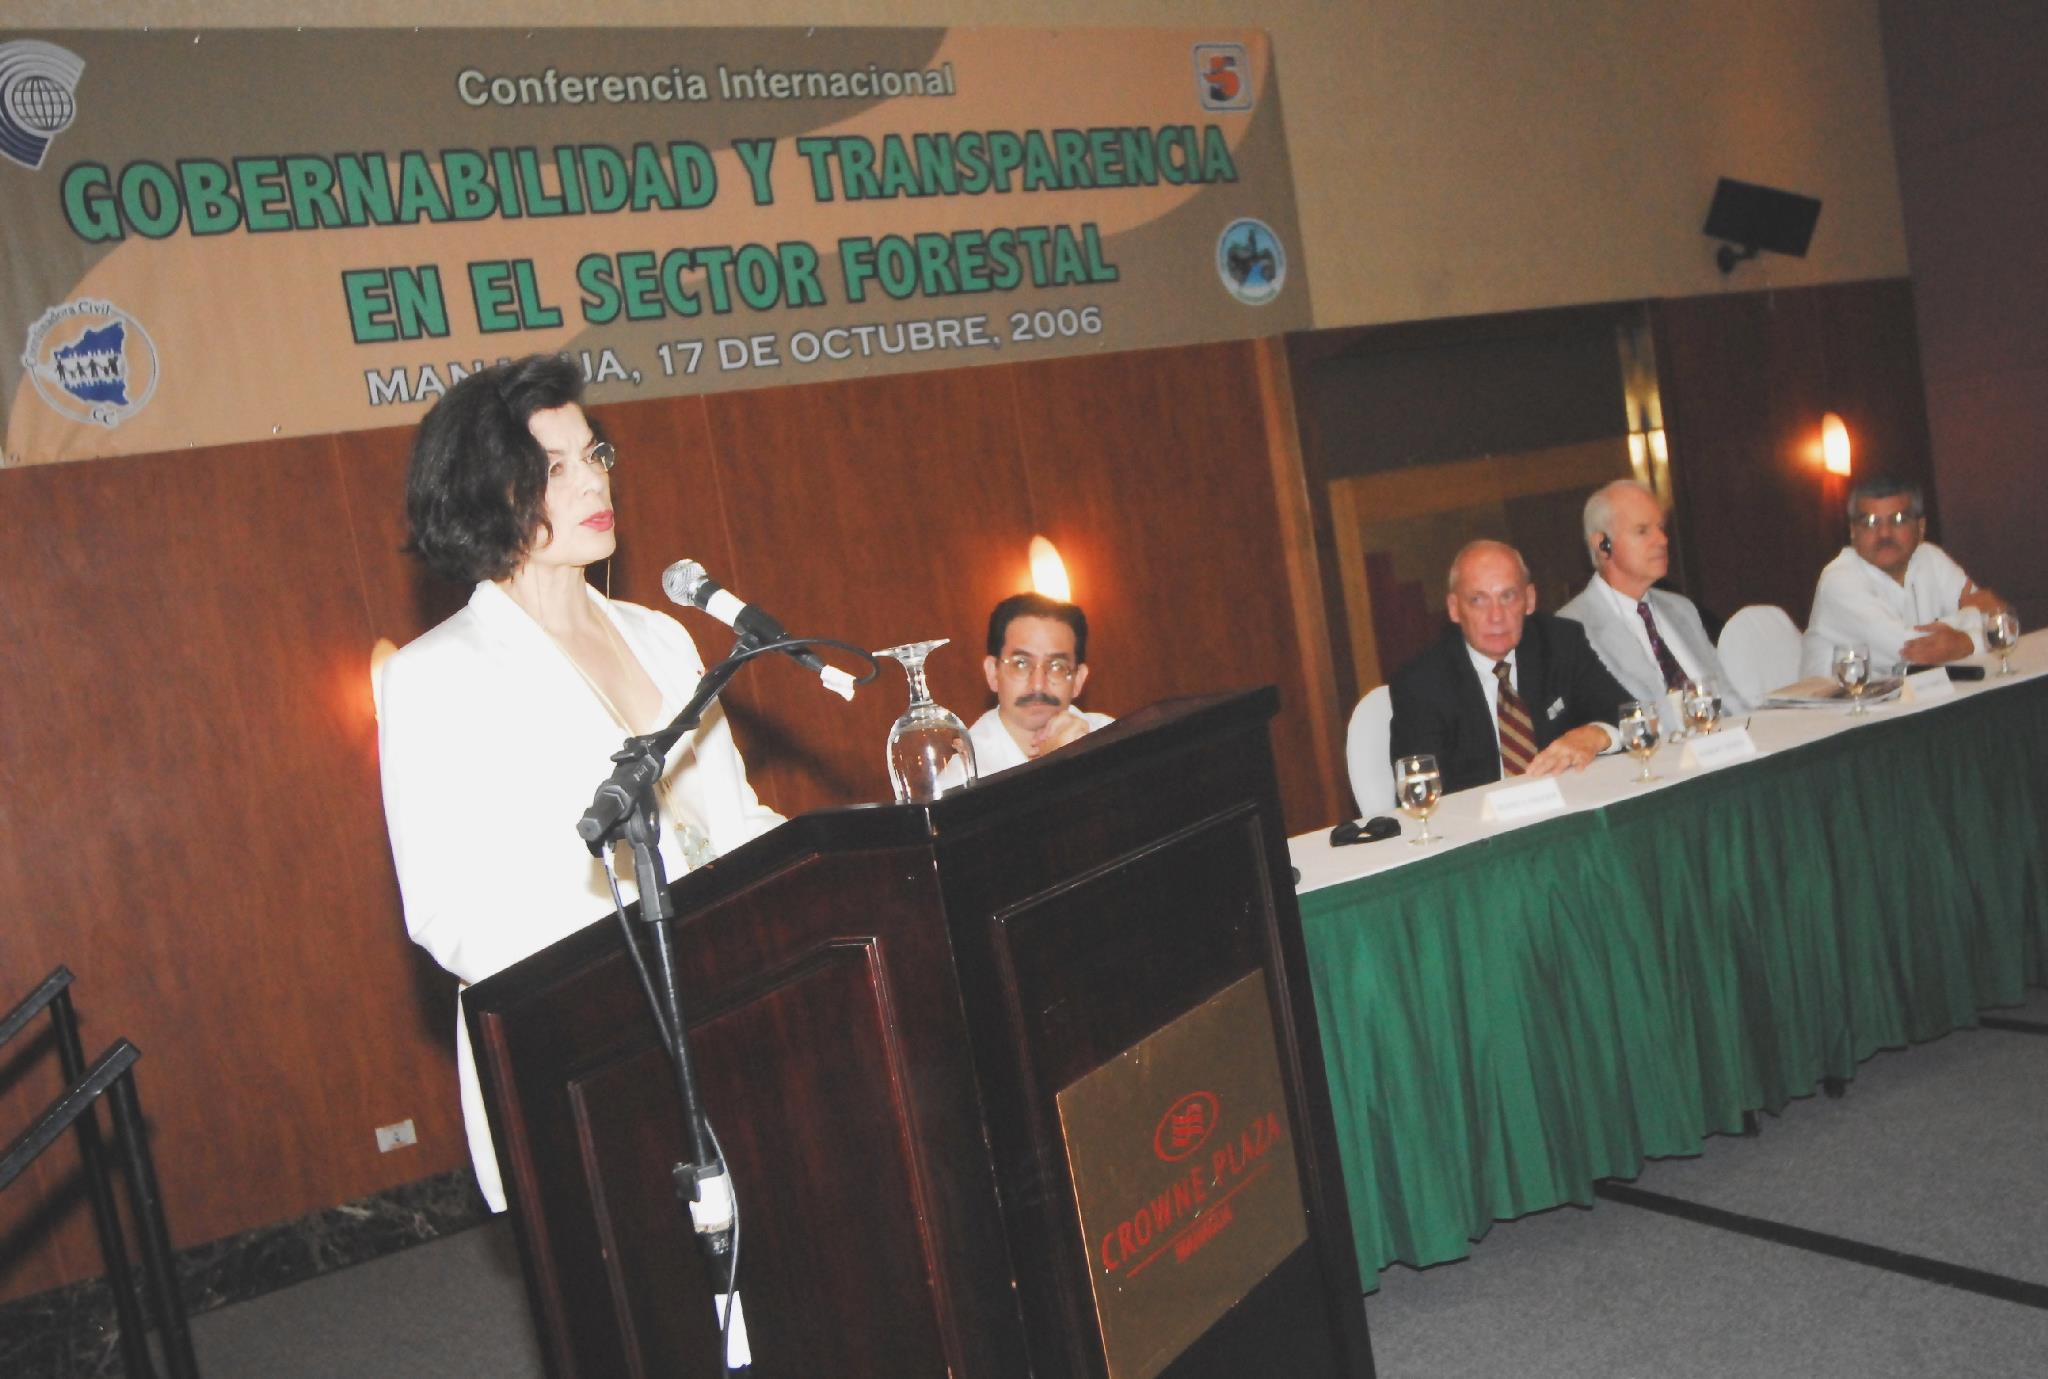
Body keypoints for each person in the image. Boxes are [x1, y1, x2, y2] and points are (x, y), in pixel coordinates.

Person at [377, 355, 781, 1213]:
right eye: (554, 467)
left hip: (728, 1005)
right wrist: (627, 981)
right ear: (489, 493)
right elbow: (451, 915)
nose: (593, 479)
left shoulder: (662, 636)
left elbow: (732, 820)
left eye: (594, 453)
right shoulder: (434, 675)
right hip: (584, 1052)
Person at [1387, 539, 1632, 795]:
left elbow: (1631, 717)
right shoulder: (1421, 684)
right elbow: (1418, 791)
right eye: (1478, 600)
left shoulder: (1560, 644)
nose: (1496, 616)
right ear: (1454, 609)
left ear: (1530, 599)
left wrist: (1595, 734)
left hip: (1568, 804)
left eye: (1508, 596)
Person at [1558, 479, 1749, 731]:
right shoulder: (1571, 630)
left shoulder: (1681, 609)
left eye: (1660, 527)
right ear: (1602, 545)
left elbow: (1729, 698)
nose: (1662, 539)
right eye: (1642, 531)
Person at [1801, 475, 2006, 676]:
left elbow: (2002, 623)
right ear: (1853, 532)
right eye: (1871, 522)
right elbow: (1910, 652)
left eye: (1898, 520)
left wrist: (1963, 636)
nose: (1884, 534)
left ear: (1921, 527)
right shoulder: (1838, 580)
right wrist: (1970, 633)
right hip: (1844, 698)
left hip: (1918, 694)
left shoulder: (1930, 558)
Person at [968, 593, 1113, 774]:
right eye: (1021, 664)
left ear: (1078, 679)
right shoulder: (965, 775)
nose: (1038, 685)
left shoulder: (1111, 738)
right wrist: (1055, 765)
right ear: (993, 673)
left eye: (1057, 666)